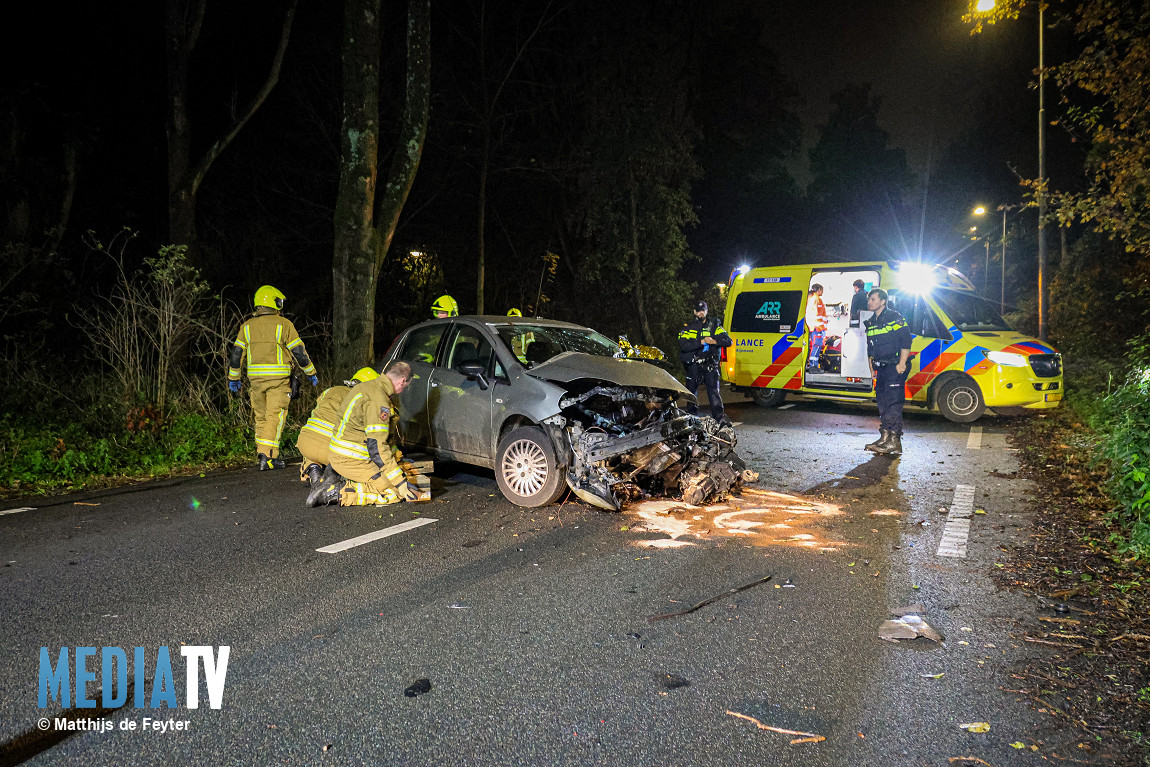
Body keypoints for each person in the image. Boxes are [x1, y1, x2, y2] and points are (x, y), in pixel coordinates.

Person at [307, 360, 420, 507]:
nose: (404, 390)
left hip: (338, 453)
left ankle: (331, 476)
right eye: (406, 386)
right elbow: (377, 448)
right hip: (351, 459)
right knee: (394, 492)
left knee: (388, 479)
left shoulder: (365, 387)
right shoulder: (379, 402)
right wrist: (400, 482)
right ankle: (337, 492)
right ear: (402, 381)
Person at [228, 285, 318, 471]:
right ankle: (269, 457)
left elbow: (237, 354)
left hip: (255, 381)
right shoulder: (284, 324)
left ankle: (262, 453)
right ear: (274, 302)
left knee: (261, 418)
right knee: (274, 418)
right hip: (278, 381)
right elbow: (299, 352)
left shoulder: (246, 327)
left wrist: (234, 378)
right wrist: (310, 372)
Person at [296, 367, 379, 487]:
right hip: (332, 451)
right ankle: (334, 472)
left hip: (305, 442)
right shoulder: (365, 401)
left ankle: (312, 466)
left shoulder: (330, 390)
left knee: (313, 441)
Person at [863, 288, 913, 456]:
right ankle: (884, 438)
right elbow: (870, 349)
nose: (869, 302)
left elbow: (906, 340)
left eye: (873, 299)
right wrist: (872, 369)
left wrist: (902, 363)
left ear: (882, 301)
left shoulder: (894, 317)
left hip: (894, 365)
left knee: (893, 403)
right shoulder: (870, 322)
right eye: (869, 299)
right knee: (882, 403)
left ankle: (894, 441)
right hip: (881, 367)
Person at [677, 300, 733, 425]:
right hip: (694, 365)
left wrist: (712, 341)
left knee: (714, 392)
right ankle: (691, 418)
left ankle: (719, 418)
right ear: (694, 312)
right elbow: (684, 345)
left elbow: (728, 341)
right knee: (691, 393)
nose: (701, 313)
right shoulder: (688, 327)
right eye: (698, 310)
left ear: (706, 311)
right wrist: (701, 342)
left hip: (710, 364)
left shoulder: (714, 326)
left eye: (703, 310)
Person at [805, 284, 828, 372]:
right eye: (822, 290)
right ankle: (813, 366)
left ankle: (813, 365)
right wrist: (822, 329)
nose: (822, 292)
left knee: (815, 347)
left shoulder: (812, 299)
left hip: (814, 327)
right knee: (817, 347)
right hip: (817, 328)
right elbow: (818, 316)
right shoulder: (817, 300)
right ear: (818, 290)